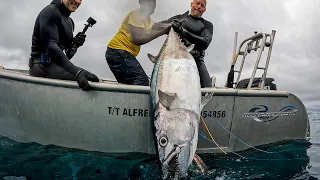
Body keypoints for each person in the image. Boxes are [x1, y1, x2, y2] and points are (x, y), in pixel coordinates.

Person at [28, 0, 100, 91]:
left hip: (55, 66)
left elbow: (67, 56)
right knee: (91, 81)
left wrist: (75, 45)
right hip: (41, 66)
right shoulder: (50, 11)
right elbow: (51, 47)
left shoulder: (70, 22)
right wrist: (77, 72)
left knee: (93, 78)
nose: (77, 1)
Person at [105, 0, 171, 86]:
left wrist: (171, 26)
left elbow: (159, 26)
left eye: (153, 3)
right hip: (118, 51)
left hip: (120, 53)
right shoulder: (136, 15)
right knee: (141, 80)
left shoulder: (148, 21)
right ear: (140, 2)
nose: (151, 6)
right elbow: (137, 40)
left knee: (130, 83)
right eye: (148, 3)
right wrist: (161, 32)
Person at [158, 0, 213, 88]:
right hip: (175, 59)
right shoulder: (179, 18)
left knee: (208, 90)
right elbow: (158, 26)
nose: (199, 6)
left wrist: (181, 30)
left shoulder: (207, 24)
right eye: (197, 3)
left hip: (197, 61)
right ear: (191, 4)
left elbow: (205, 43)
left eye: (202, 5)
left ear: (204, 10)